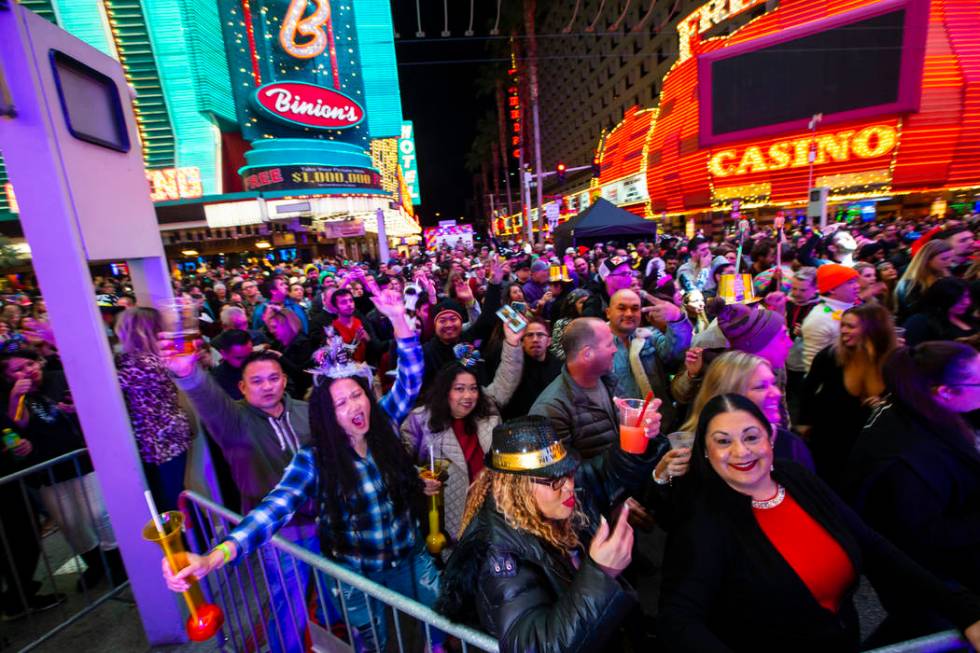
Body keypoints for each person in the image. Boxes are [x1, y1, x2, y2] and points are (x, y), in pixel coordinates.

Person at [162, 290, 435, 653]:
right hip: (355, 572)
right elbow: (272, 509)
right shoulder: (312, 458)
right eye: (341, 402)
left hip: (410, 558)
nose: (354, 405)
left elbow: (411, 381)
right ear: (326, 413)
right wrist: (215, 556)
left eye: (357, 395)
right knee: (374, 641)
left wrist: (400, 320)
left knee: (437, 628)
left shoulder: (377, 423)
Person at [656, 393, 980, 653]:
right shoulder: (703, 518)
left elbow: (873, 546)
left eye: (751, 436)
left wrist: (963, 609)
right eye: (723, 442)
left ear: (770, 438)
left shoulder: (796, 477)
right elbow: (679, 619)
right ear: (707, 454)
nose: (741, 451)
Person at [436, 414, 669, 652]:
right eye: (554, 480)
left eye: (568, 471)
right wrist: (602, 574)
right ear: (517, 486)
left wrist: (639, 437)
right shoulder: (497, 554)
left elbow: (605, 472)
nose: (569, 485)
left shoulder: (562, 491)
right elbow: (535, 646)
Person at [846, 342, 980, 643]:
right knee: (923, 626)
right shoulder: (906, 463)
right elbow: (925, 540)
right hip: (929, 577)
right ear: (944, 392)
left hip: (938, 566)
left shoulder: (917, 406)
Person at [1, 346, 123, 590]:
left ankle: (118, 563)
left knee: (98, 513)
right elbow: (16, 423)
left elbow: (91, 405)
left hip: (80, 460)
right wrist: (16, 398)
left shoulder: (58, 378)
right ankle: (96, 566)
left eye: (31, 364)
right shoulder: (12, 397)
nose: (28, 370)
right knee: (70, 523)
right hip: (46, 472)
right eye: (18, 369)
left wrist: (76, 410)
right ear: (6, 377)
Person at [401, 324, 524, 543]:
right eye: (459, 389)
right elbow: (398, 461)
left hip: (492, 511)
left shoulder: (486, 411)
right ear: (444, 391)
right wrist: (418, 477)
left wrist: (513, 344)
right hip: (448, 522)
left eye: (473, 388)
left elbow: (506, 380)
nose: (468, 396)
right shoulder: (420, 420)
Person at [658, 351, 813, 490]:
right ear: (730, 396)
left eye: (772, 383)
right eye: (760, 387)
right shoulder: (689, 447)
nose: (776, 393)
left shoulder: (790, 445)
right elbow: (675, 505)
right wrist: (661, 476)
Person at [800, 304, 897, 492]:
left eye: (851, 326)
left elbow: (907, 397)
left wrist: (885, 404)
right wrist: (804, 423)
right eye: (842, 325)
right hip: (830, 437)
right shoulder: (830, 356)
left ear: (873, 329)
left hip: (870, 443)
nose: (843, 331)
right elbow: (808, 389)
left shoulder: (895, 362)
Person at [114, 307, 192, 512]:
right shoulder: (142, 359)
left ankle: (193, 541)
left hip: (162, 439)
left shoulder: (144, 364)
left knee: (172, 500)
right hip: (165, 436)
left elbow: (106, 387)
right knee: (172, 497)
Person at [530, 318, 621, 458]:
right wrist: (620, 460)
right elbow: (559, 475)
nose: (615, 349)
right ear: (587, 354)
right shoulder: (550, 410)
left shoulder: (609, 380)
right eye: (609, 344)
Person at [606, 289, 691, 428]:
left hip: (658, 425)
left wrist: (677, 319)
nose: (629, 314)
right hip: (617, 428)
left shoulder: (650, 336)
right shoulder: (597, 342)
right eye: (622, 308)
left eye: (635, 309)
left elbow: (677, 356)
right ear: (608, 312)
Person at [801, 263, 861, 372]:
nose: (857, 286)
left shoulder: (853, 308)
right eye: (851, 282)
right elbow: (813, 365)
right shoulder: (818, 319)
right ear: (832, 289)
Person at [502, 319, 563, 420]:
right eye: (530, 335)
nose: (535, 339)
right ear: (522, 341)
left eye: (540, 335)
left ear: (549, 341)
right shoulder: (513, 365)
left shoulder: (559, 368)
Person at [894, 239, 954, 324]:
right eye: (944, 259)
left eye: (951, 259)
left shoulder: (945, 274)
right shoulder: (910, 283)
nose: (949, 263)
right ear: (927, 260)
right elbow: (919, 313)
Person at [903, 277, 976, 346]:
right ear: (943, 300)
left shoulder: (969, 317)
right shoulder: (919, 322)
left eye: (967, 296)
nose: (967, 302)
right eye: (960, 299)